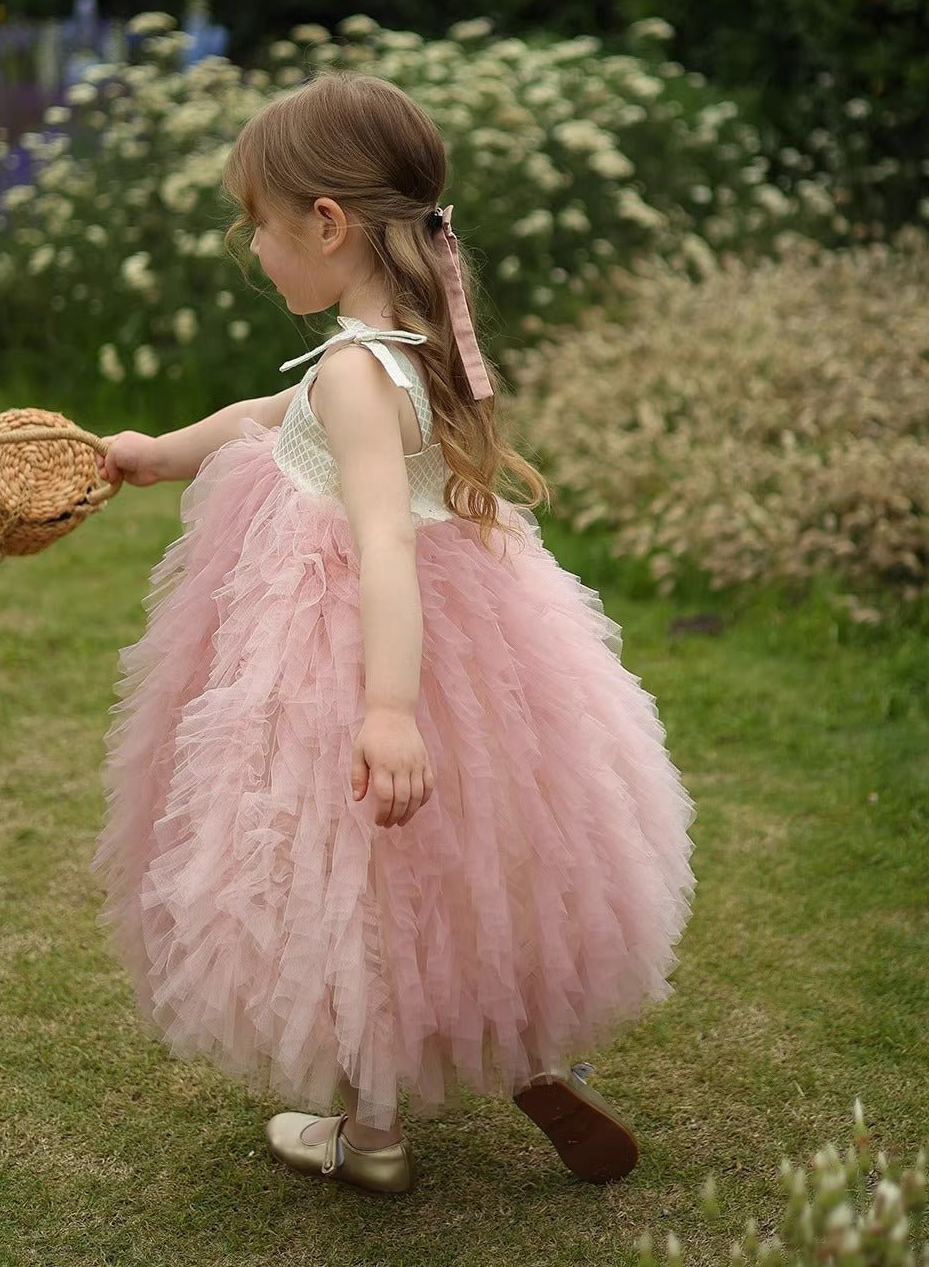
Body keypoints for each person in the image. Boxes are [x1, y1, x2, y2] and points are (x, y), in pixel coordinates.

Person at [90, 69, 697, 1196]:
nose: (250, 247)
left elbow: (382, 543)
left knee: (346, 870)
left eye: (256, 225)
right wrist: (149, 449)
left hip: (354, 646)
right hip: (475, 643)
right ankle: (513, 1049)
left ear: (325, 223)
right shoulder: (404, 342)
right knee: (458, 859)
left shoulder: (358, 373)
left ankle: (368, 1137)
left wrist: (382, 708)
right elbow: (257, 419)